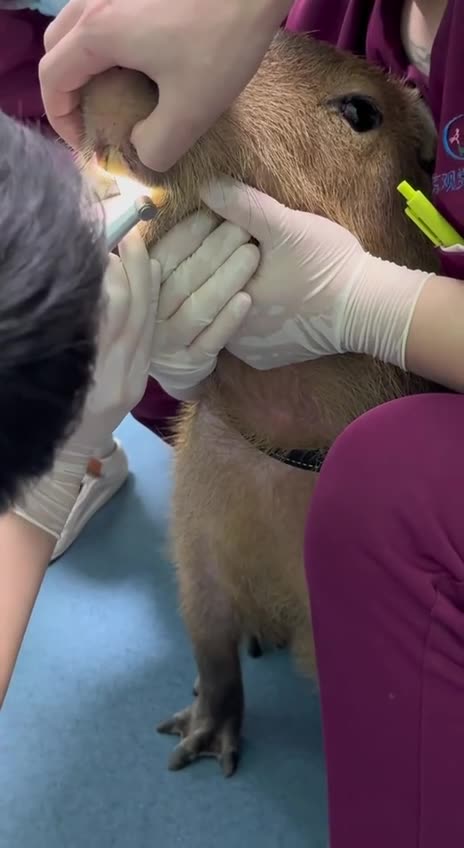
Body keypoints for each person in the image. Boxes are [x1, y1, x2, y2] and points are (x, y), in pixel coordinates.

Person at [15, 0, 464, 845]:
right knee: (209, 551)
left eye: (355, 116)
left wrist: (380, 306)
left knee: (390, 486)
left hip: (379, 446)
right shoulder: (329, 11)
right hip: (237, 433)